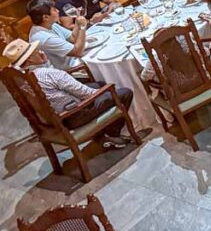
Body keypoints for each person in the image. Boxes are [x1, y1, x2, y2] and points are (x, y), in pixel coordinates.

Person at [2, 38, 133, 149]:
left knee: (99, 84)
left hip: (53, 119)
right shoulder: (50, 74)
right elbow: (87, 94)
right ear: (30, 59)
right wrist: (107, 91)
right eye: (36, 51)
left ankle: (104, 130)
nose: (40, 52)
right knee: (124, 92)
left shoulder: (21, 79)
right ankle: (112, 135)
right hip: (74, 115)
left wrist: (44, 63)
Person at [27, 0, 88, 72]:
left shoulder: (50, 24)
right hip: (70, 71)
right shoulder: (44, 38)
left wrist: (78, 23)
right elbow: (77, 52)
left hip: (75, 60)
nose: (58, 11)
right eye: (54, 10)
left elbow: (73, 38)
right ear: (46, 17)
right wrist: (82, 27)